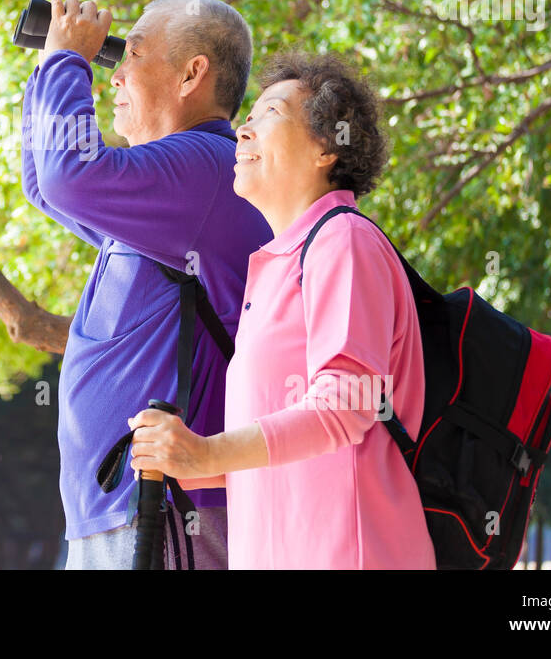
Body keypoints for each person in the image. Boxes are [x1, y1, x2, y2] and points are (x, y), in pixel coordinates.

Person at [128, 51, 436, 569]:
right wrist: (186, 459)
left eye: (269, 114)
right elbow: (283, 451)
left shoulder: (345, 240)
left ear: (325, 148)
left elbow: (345, 406)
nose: (242, 131)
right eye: (247, 118)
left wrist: (207, 453)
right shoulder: (278, 264)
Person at [21, 0, 270, 569]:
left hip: (164, 511)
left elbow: (68, 178)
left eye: (129, 55)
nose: (113, 77)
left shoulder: (207, 167)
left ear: (192, 75)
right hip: (125, 508)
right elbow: (45, 185)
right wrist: (49, 62)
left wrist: (69, 61)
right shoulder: (172, 195)